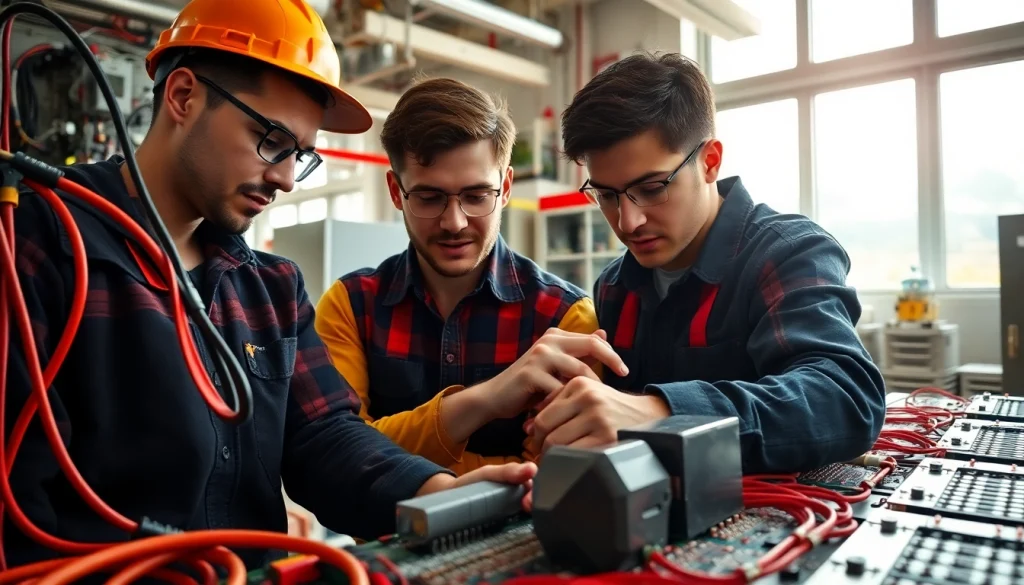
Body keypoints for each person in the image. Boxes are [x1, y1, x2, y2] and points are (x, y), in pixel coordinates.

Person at [3, 0, 536, 570]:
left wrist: (434, 492)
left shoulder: (272, 288)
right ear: (183, 96)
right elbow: (18, 514)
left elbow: (324, 437)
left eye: (299, 156)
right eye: (271, 140)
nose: (284, 178)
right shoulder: (37, 249)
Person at [528, 52, 886, 473]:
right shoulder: (615, 287)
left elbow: (844, 398)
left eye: (651, 187)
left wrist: (661, 412)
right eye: (607, 196)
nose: (628, 222)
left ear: (710, 161)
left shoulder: (788, 252)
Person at [315, 77, 628, 475]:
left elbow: (553, 474)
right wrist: (488, 399)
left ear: (507, 187)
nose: (454, 221)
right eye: (429, 197)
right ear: (396, 191)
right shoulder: (350, 305)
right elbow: (337, 459)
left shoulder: (565, 316)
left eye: (476, 196)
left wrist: (384, 451)